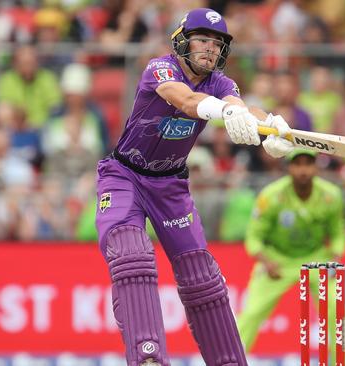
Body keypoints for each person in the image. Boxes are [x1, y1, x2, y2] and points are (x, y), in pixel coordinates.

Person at [94, 8, 295, 366]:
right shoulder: (161, 68)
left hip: (169, 186)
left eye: (217, 44)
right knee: (132, 257)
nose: (210, 50)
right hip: (124, 175)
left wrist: (271, 127)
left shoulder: (220, 84)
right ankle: (148, 358)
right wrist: (227, 113)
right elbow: (185, 100)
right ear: (182, 41)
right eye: (202, 40)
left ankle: (229, 362)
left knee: (202, 280)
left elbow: (238, 105)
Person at [237, 149, 345, 361]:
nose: (303, 170)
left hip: (317, 259)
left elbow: (338, 233)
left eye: (308, 164)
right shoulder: (271, 196)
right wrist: (266, 261)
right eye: (298, 164)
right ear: (288, 168)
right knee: (251, 313)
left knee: (336, 311)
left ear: (316, 167)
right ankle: (231, 363)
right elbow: (253, 237)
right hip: (277, 259)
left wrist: (334, 259)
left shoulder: (331, 195)